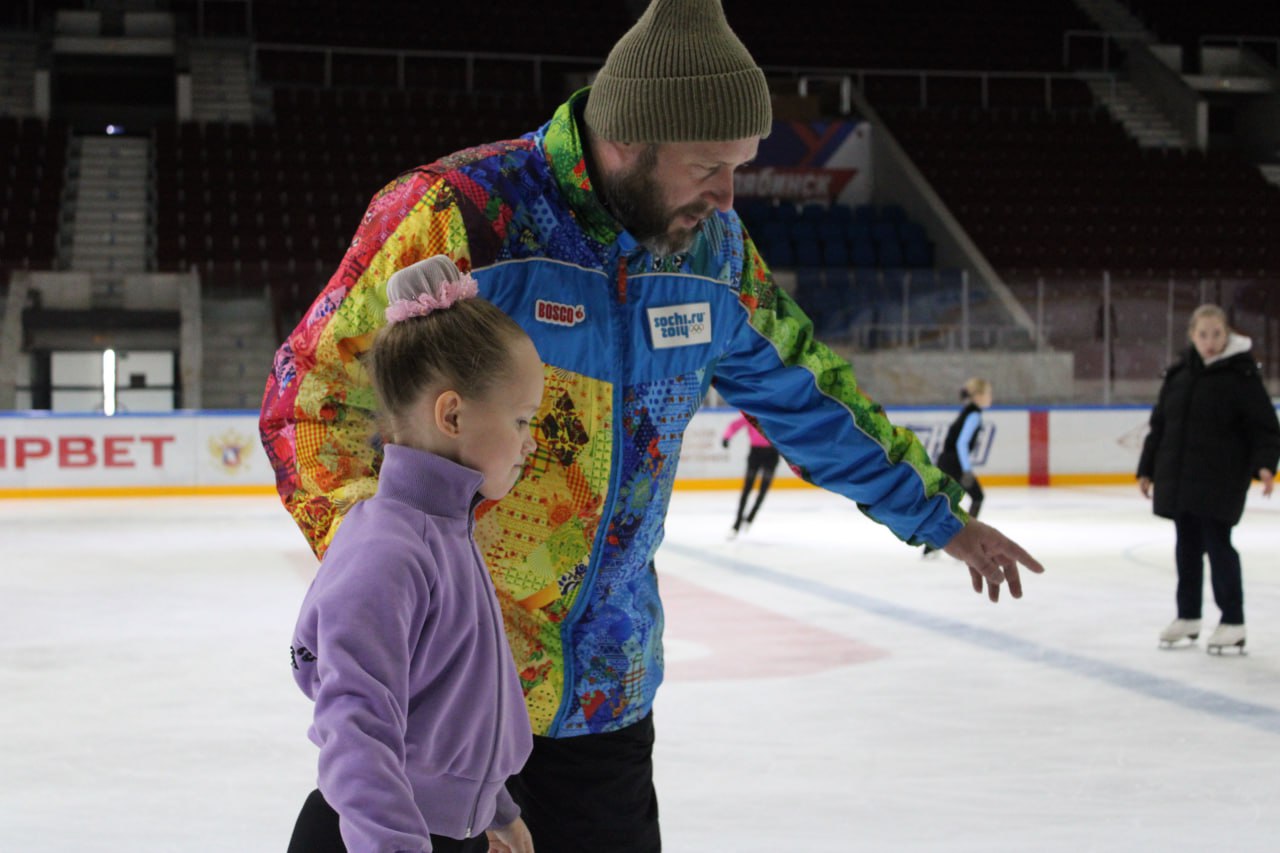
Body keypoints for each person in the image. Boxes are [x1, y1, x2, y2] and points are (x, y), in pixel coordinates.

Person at [261, 1, 1044, 849]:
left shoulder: (714, 256)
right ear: (630, 142)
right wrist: (391, 574)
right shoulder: (468, 214)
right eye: (709, 166)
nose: (729, 193)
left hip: (608, 697)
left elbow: (809, 396)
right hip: (448, 693)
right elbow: (310, 399)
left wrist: (938, 517)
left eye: (740, 166)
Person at [286, 256, 541, 853]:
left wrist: (492, 804)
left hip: (444, 830)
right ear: (452, 413)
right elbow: (356, 728)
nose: (531, 440)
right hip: (380, 836)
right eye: (521, 418)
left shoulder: (448, 529)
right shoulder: (389, 550)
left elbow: (456, 698)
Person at [1137, 304, 1279, 654]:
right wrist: (1147, 467)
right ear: (1192, 336)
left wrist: (1265, 465)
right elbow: (1160, 425)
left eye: (1217, 334)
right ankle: (1188, 617)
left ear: (1227, 334)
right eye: (1203, 334)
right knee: (1186, 548)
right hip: (1183, 479)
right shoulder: (1180, 375)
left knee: (1218, 546)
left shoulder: (1241, 376)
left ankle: (1233, 620)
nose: (1210, 341)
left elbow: (1264, 427)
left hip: (1221, 479)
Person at [922, 378, 991, 557]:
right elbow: (961, 443)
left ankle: (930, 547)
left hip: (947, 461)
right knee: (977, 497)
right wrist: (967, 470)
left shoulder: (968, 412)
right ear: (978, 396)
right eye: (988, 394)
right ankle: (969, 542)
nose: (990, 397)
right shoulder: (974, 414)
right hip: (954, 463)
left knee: (948, 503)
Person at [722, 411, 779, 538]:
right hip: (756, 453)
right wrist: (727, 437)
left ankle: (750, 518)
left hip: (772, 454)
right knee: (747, 489)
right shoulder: (752, 414)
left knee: (763, 489)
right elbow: (734, 425)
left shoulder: (775, 415)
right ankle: (737, 524)